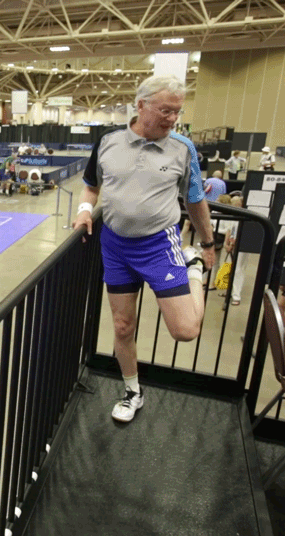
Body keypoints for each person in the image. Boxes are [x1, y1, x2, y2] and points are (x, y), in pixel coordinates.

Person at [73, 74, 215, 423]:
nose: (171, 118)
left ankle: (192, 266)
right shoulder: (108, 142)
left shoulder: (183, 149)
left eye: (176, 112)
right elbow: (91, 187)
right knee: (122, 327)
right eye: (165, 110)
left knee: (185, 331)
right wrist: (83, 212)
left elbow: (194, 200)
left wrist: (207, 243)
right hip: (115, 247)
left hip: (158, 246)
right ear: (140, 105)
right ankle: (132, 392)